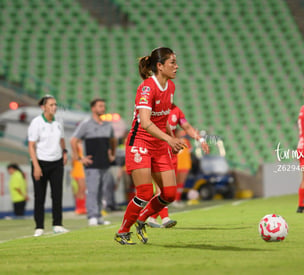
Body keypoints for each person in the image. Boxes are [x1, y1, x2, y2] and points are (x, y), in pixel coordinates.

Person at [114, 47, 186, 245]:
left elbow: (162, 119)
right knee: (145, 192)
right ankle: (123, 231)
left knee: (170, 194)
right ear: (160, 66)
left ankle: (141, 218)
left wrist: (171, 137)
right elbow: (145, 122)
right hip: (140, 143)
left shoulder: (170, 87)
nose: (177, 66)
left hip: (159, 144)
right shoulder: (147, 87)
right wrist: (169, 139)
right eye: (172, 62)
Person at [146, 105, 210, 228]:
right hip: (157, 152)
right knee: (162, 187)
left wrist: (200, 139)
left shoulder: (176, 111)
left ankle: (151, 217)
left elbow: (186, 126)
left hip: (171, 152)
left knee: (169, 189)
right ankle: (164, 218)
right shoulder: (152, 110)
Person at [28, 95, 69, 236]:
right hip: (41, 162)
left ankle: (57, 224)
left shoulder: (59, 121)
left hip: (57, 163)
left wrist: (64, 152)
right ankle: (39, 226)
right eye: (51, 105)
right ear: (43, 107)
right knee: (40, 196)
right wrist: (36, 166)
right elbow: (31, 145)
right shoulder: (36, 123)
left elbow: (62, 139)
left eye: (55, 104)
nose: (54, 107)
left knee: (57, 195)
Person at [70, 98, 115, 226]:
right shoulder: (86, 124)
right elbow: (73, 140)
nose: (103, 108)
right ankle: (92, 216)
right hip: (92, 164)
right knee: (93, 190)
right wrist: (79, 158)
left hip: (105, 163)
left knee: (102, 190)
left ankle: (99, 215)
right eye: (100, 106)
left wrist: (112, 153)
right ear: (93, 108)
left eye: (104, 106)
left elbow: (113, 140)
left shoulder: (108, 125)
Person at [71, 139, 86, 214]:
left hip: (80, 169)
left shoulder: (81, 145)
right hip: (77, 170)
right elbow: (74, 158)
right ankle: (79, 208)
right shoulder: (76, 146)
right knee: (80, 189)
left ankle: (82, 207)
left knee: (82, 189)